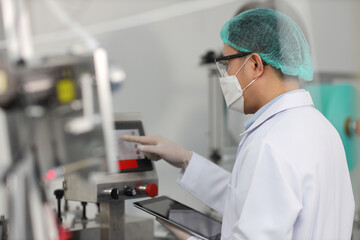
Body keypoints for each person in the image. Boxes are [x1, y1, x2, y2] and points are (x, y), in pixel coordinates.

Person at [123, 8, 354, 240]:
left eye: (226, 65)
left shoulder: (271, 143)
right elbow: (252, 199)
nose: (225, 77)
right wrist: (185, 158)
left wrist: (190, 238)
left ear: (255, 65)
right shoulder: (321, 128)